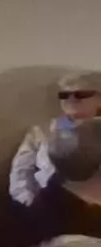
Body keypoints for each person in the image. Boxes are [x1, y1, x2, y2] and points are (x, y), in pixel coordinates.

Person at [11, 71, 101, 207]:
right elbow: (21, 172)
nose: (71, 99)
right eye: (64, 95)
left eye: (80, 94)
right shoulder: (41, 131)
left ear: (99, 98)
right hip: (51, 203)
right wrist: (29, 202)